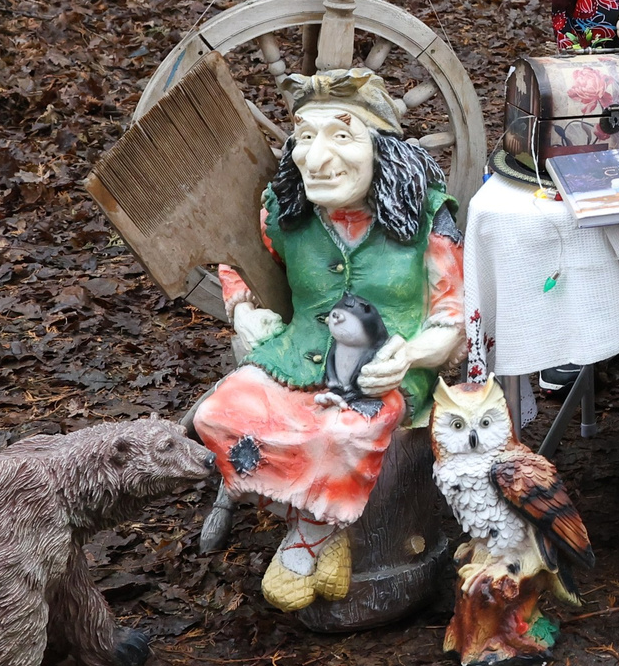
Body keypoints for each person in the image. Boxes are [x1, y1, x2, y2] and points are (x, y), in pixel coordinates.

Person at [191, 70, 466, 612]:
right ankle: (322, 523)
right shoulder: (287, 209)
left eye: (341, 137)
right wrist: (243, 308)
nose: (316, 158)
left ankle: (305, 541)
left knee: (341, 430)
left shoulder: (429, 218)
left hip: (379, 374)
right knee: (217, 414)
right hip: (296, 356)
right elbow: (238, 261)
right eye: (304, 138)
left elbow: (451, 318)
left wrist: (409, 353)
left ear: (381, 151)